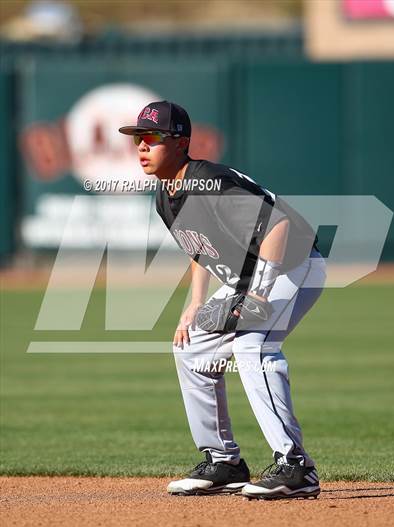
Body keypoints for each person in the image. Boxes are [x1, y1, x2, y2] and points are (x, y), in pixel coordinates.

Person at [119, 100, 326, 500]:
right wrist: (193, 305)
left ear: (180, 143)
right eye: (138, 139)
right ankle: (224, 461)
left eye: (153, 137)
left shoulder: (208, 182)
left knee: (253, 343)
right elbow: (201, 250)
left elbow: (278, 226)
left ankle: (296, 467)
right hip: (249, 273)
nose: (142, 146)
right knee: (192, 346)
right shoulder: (166, 195)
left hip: (294, 263)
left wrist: (258, 296)